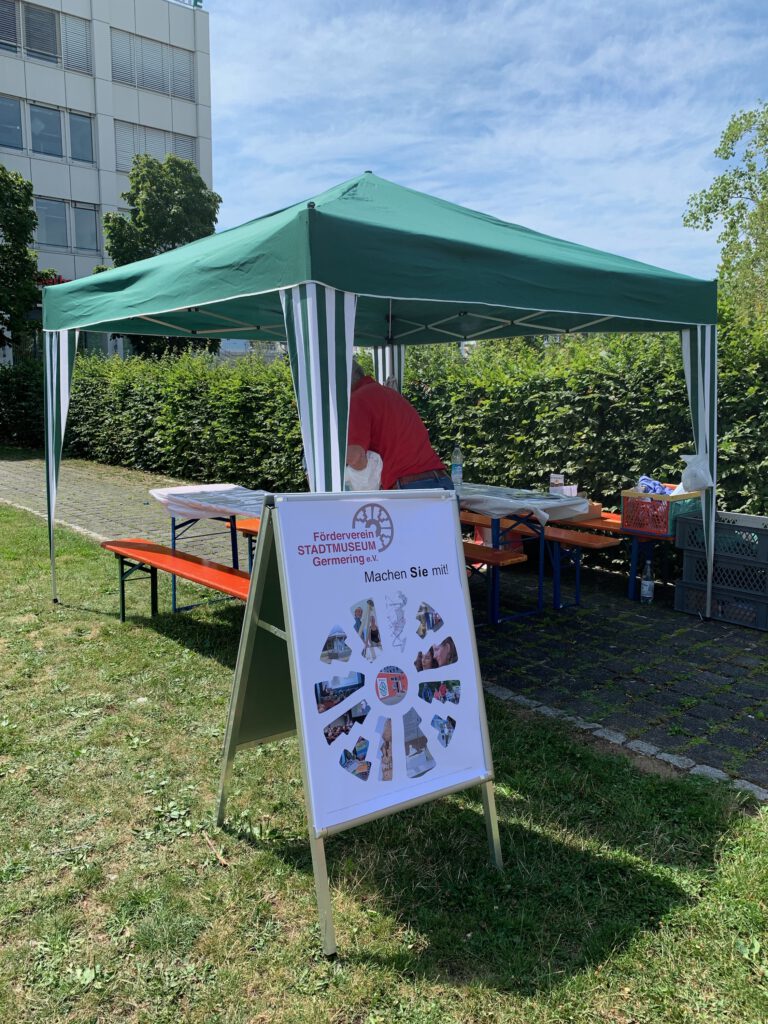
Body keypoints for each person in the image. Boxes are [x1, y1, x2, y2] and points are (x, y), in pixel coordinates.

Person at [346, 360, 453, 490]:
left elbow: (355, 456)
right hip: (440, 481)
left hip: (410, 487)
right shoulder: (388, 393)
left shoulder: (358, 399)